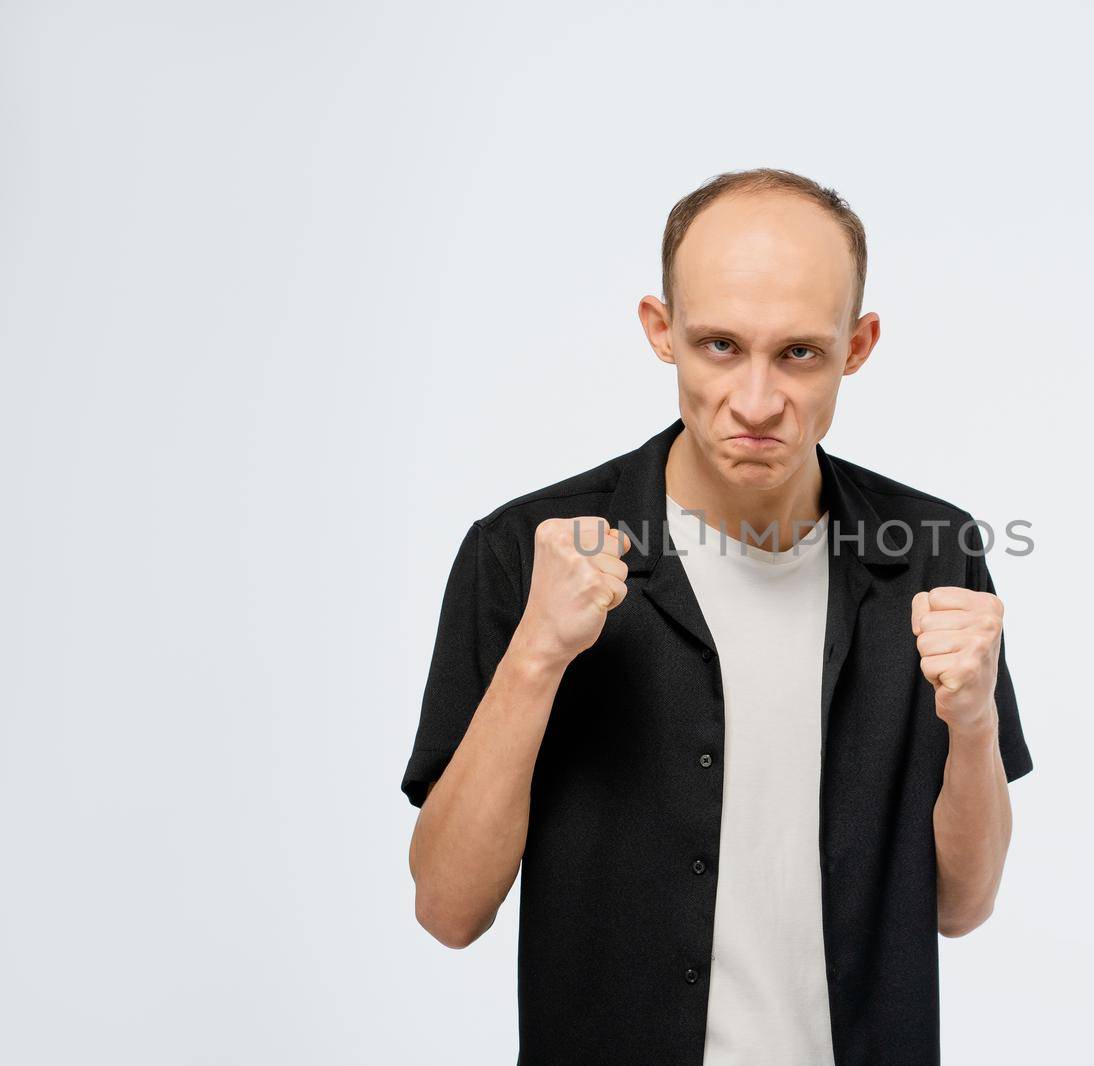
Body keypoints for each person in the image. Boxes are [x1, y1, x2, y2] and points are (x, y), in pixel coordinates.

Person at [400, 167, 1034, 1065]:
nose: (758, 403)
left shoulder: (932, 551)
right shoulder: (523, 551)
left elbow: (962, 908)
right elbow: (447, 908)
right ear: (662, 333)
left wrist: (971, 726)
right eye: (721, 346)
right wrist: (537, 654)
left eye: (801, 354)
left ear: (859, 346)